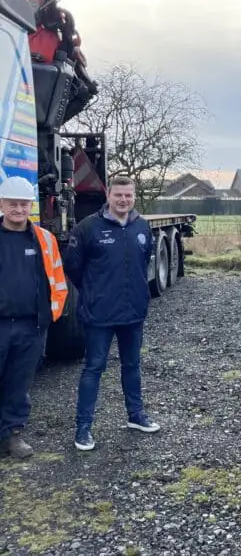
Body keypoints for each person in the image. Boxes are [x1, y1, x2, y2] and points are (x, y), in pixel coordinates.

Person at [64, 176, 159, 451]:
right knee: (94, 368)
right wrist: (94, 291)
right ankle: (83, 428)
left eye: (128, 195)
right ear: (108, 194)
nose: (123, 200)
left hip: (133, 313)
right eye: (118, 195)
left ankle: (136, 415)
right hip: (99, 315)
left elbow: (144, 260)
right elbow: (73, 268)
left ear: (134, 196)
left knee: (132, 366)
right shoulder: (88, 228)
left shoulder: (142, 226)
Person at [0, 176, 67, 458]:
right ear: (2, 204)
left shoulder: (45, 240)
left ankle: (12, 434)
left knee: (19, 382)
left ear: (31, 206)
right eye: (13, 203)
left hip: (31, 325)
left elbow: (58, 280)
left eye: (24, 204)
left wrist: (51, 316)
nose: (19, 209)